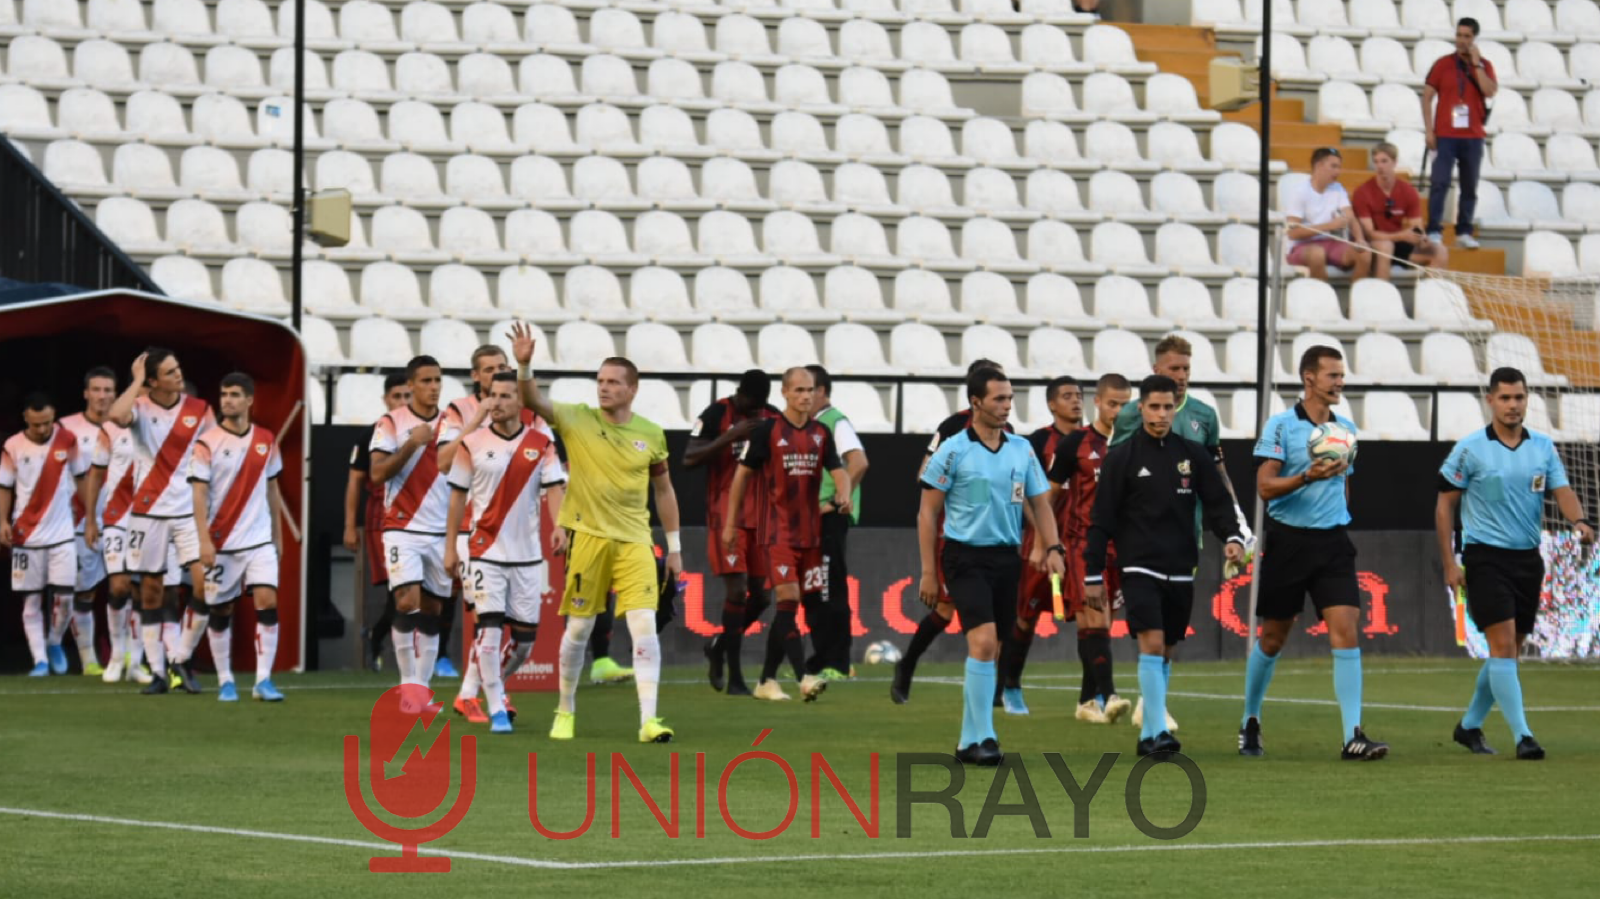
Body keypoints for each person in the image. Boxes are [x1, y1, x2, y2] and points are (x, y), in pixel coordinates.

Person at [509, 323, 683, 744]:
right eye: (600, 381)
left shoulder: (651, 434)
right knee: (579, 630)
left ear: (632, 390)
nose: (603, 388)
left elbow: (664, 490)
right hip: (587, 539)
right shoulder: (577, 419)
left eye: (613, 382)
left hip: (636, 541)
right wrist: (525, 365)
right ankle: (565, 710)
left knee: (643, 624)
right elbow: (531, 400)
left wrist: (674, 547)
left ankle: (649, 721)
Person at [1239, 346, 1389, 761]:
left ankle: (1352, 735)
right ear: (1309, 378)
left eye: (1341, 375)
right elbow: (1265, 488)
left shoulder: (1345, 429)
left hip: (1333, 543)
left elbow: (1344, 485)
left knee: (1346, 631)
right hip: (1288, 542)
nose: (1340, 382)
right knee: (1273, 639)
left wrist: (1335, 513)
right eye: (1332, 375)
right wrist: (1307, 476)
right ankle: (1250, 719)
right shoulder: (1281, 426)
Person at [1437, 368, 1594, 760]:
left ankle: (1469, 726)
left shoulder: (1542, 446)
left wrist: (1579, 520)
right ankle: (1524, 736)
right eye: (1505, 398)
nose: (1513, 405)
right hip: (1485, 557)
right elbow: (1444, 505)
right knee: (1503, 645)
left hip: (1527, 559)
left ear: (1526, 400)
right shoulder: (1470, 449)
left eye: (1519, 397)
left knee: (1509, 649)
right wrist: (1450, 562)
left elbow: (1562, 490)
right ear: (1490, 400)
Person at [1086, 375, 1245, 757]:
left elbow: (1217, 501)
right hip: (1139, 567)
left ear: (1176, 409)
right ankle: (1155, 731)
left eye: (1167, 407)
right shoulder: (1122, 458)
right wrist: (1093, 573)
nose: (1161, 414)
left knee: (1167, 649)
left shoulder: (1193, 455)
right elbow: (1101, 519)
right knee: (1153, 644)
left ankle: (1151, 733)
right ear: (1140, 409)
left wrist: (1233, 537)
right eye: (1154, 407)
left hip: (1181, 567)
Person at [920, 367, 1063, 765]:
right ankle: (985, 736)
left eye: (1010, 398)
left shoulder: (1021, 449)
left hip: (1006, 557)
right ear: (976, 402)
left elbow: (1040, 503)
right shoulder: (952, 450)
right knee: (983, 643)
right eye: (999, 398)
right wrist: (929, 571)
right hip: (964, 556)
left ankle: (969, 741)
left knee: (994, 648)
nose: (1007, 405)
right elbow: (927, 513)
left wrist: (1054, 547)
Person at [1110, 334, 1250, 731]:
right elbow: (1116, 469)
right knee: (1150, 630)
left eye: (1186, 368)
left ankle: (1150, 704)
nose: (1182, 375)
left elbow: (1217, 474)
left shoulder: (1204, 415)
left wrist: (1236, 524)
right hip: (1141, 539)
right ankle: (1151, 711)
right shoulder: (1132, 416)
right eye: (1174, 368)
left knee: (1170, 633)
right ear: (1157, 369)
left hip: (1187, 536)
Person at [1004, 374, 1135, 725]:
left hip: (1115, 548)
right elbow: (1042, 495)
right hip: (1071, 544)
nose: (1075, 400)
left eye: (1078, 394)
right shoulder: (1058, 444)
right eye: (1067, 395)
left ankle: (1088, 699)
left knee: (1097, 622)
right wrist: (1042, 542)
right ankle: (1012, 686)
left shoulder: (1133, 443)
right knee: (1029, 616)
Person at [444, 372, 568, 734]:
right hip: (484, 551)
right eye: (492, 395)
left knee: (525, 643)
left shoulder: (541, 444)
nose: (495, 402)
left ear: (520, 401)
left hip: (527, 555)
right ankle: (497, 708)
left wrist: (559, 525)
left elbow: (554, 488)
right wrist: (451, 547)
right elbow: (457, 497)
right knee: (489, 630)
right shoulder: (471, 443)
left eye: (504, 396)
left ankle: (483, 687)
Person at [723, 367, 852, 702]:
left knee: (791, 610)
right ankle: (803, 677)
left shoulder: (821, 432)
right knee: (788, 599)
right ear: (784, 393)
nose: (805, 396)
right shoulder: (768, 431)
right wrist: (730, 524)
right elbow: (741, 478)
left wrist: (845, 493)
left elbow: (839, 470)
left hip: (811, 536)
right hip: (777, 532)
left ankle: (766, 680)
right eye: (799, 390)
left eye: (810, 390)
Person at [892, 358, 1015, 704]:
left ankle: (994, 691)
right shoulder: (952, 427)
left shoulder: (1008, 430)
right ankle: (907, 665)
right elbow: (924, 474)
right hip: (959, 532)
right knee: (946, 610)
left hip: (997, 534)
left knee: (999, 618)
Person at [107, 348, 215, 694]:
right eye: (169, 372)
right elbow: (115, 414)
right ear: (153, 381)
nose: (178, 375)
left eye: (178, 368)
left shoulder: (200, 410)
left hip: (188, 512)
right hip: (147, 513)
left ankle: (180, 658)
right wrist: (136, 379)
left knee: (206, 587)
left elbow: (214, 454)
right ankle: (157, 672)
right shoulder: (139, 408)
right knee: (151, 592)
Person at [188, 373, 286, 702]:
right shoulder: (206, 443)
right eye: (224, 394)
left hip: (258, 540)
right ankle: (225, 679)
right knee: (221, 610)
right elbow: (199, 494)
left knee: (267, 601)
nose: (227, 400)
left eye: (234, 394)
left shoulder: (266, 440)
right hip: (222, 541)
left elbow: (272, 489)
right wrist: (203, 540)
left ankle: (263, 681)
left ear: (249, 400)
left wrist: (277, 536)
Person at [683, 369, 779, 695]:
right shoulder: (716, 414)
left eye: (761, 406)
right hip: (727, 517)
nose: (756, 411)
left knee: (762, 597)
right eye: (752, 405)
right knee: (737, 592)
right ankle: (735, 677)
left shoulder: (771, 417)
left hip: (761, 519)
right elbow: (689, 457)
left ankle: (719, 646)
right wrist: (729, 437)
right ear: (741, 394)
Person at [369, 355, 453, 701]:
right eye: (425, 381)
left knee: (433, 610)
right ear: (411, 385)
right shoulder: (391, 422)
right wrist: (412, 443)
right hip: (401, 527)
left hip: (441, 530)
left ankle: (423, 688)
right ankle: (408, 687)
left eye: (437, 380)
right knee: (406, 602)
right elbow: (377, 473)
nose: (433, 387)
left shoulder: (453, 423)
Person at [1, 394, 93, 677]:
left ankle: (54, 641)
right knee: (31, 600)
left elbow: (81, 479)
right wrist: (2, 520)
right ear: (26, 419)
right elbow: (5, 486)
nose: (43, 429)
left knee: (65, 597)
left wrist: (90, 518)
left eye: (47, 423)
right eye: (37, 424)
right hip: (26, 534)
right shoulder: (13, 446)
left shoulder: (67, 440)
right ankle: (39, 659)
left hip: (62, 532)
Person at [805, 364, 868, 682]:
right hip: (810, 519)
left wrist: (838, 500)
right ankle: (821, 660)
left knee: (830, 589)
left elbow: (859, 461)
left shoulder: (835, 421)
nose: (803, 396)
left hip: (829, 518)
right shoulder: (811, 425)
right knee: (814, 590)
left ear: (822, 391)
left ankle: (840, 663)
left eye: (808, 389)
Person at [344, 372, 410, 672]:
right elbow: (355, 483)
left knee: (418, 590)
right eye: (396, 396)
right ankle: (381, 638)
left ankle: (377, 635)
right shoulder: (371, 434)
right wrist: (349, 525)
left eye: (407, 396)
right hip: (381, 521)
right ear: (385, 399)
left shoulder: (427, 431)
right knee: (399, 590)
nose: (402, 402)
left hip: (419, 519)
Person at [55, 368, 118, 676]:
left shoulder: (127, 426)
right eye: (96, 389)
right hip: (80, 521)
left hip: (122, 519)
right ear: (85, 393)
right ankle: (88, 660)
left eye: (108, 390)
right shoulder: (65, 427)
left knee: (125, 589)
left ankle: (125, 656)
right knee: (84, 592)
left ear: (116, 394)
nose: (102, 396)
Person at [86, 377, 146, 683]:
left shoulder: (166, 427)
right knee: (119, 586)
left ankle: (136, 661)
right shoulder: (111, 429)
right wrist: (90, 519)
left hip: (151, 518)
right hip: (116, 518)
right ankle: (116, 656)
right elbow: (96, 474)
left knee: (143, 590)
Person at [1423, 17, 1497, 251]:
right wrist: (1429, 130)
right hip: (1445, 134)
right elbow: (1426, 97)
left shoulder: (1484, 65)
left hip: (1473, 136)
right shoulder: (1443, 64)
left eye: (1467, 36)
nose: (1462, 40)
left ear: (1474, 38)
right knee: (1440, 182)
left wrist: (1477, 65)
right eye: (1459, 35)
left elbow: (1489, 91)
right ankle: (1433, 229)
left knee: (1469, 186)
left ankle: (1464, 231)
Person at [1353, 141, 1448, 280]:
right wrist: (1401, 236)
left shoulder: (1407, 190)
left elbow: (1416, 226)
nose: (1380, 166)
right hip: (1375, 244)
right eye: (1376, 162)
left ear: (1394, 162)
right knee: (1386, 246)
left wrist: (1421, 237)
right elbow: (1370, 234)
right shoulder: (1363, 192)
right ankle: (1382, 291)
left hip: (1398, 242)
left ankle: (1429, 291)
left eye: (1384, 161)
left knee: (1440, 250)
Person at [1285, 147, 1372, 281]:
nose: (1338, 171)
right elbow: (1292, 232)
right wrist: (1330, 226)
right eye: (1334, 166)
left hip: (1332, 243)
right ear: (1319, 166)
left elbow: (1351, 217)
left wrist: (1360, 239)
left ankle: (1356, 292)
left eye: (1339, 167)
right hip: (1302, 246)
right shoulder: (1300, 192)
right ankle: (1323, 294)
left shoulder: (1338, 188)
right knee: (1317, 254)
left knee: (1365, 252)